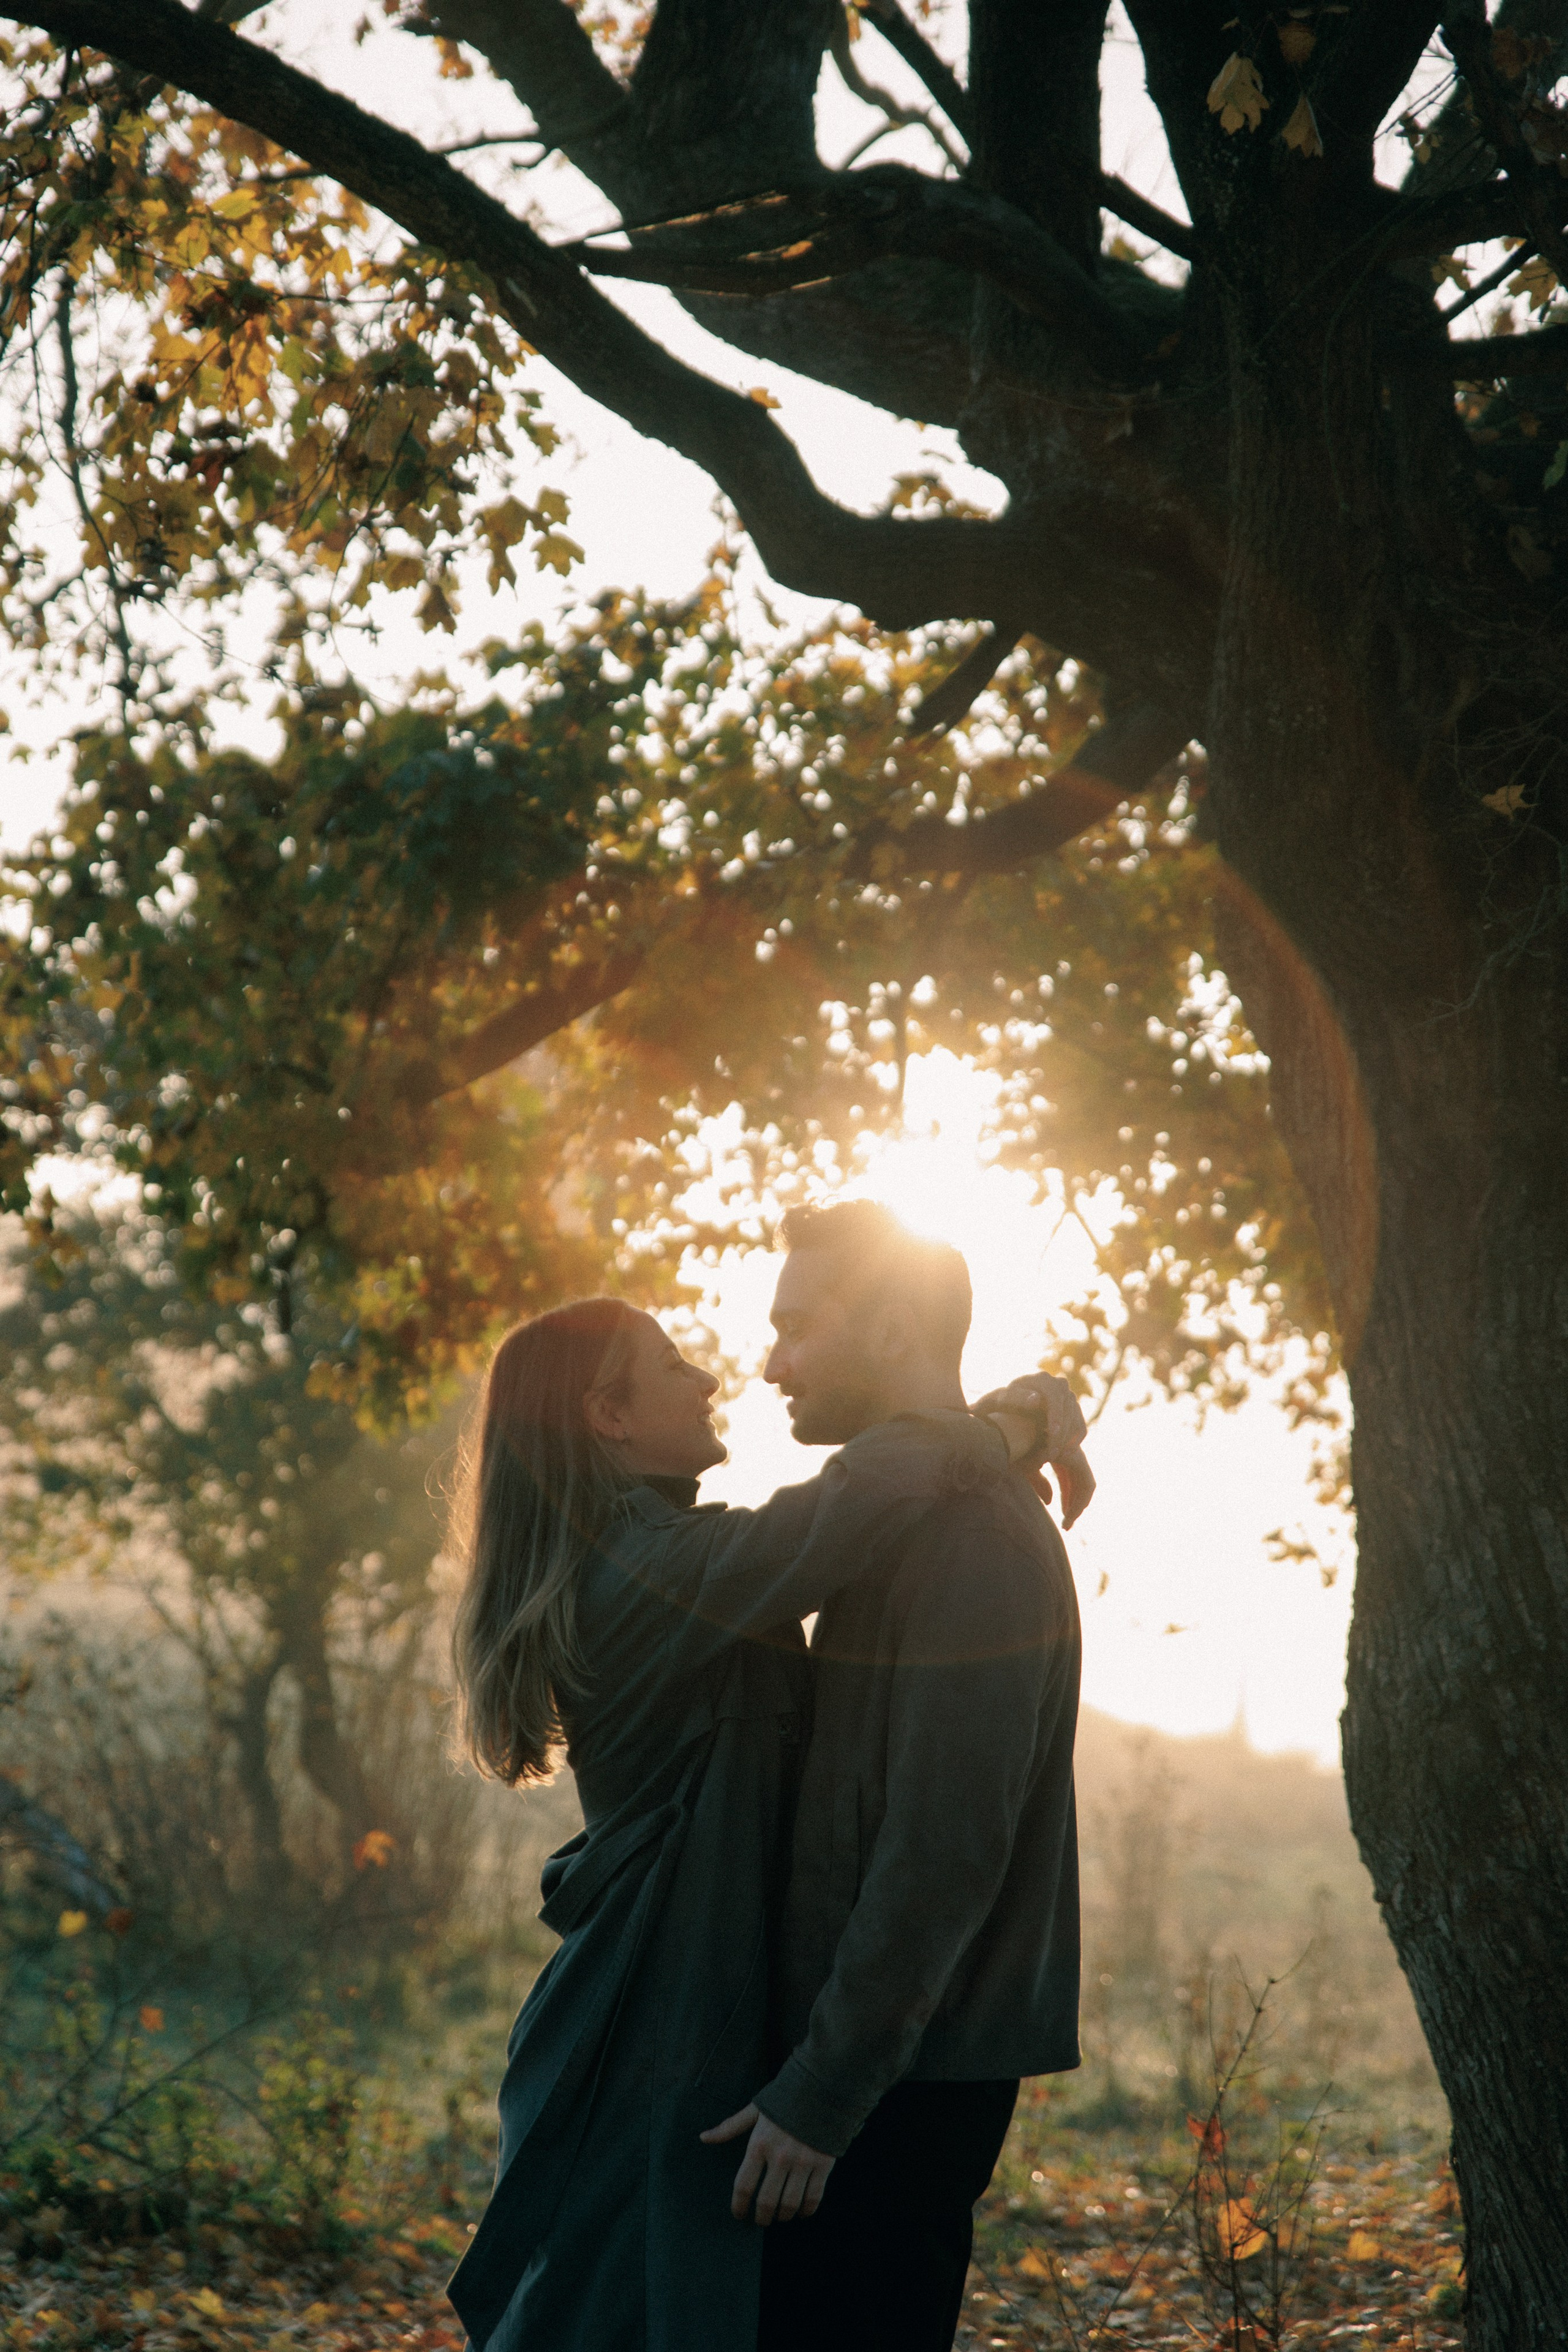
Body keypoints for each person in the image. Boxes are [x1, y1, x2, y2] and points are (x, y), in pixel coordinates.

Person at [442, 1290, 1085, 2352]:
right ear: (608, 1416)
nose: (716, 1378)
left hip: (692, 1998)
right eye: (672, 1365)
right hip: (652, 2013)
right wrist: (1013, 1422)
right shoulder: (646, 1573)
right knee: (616, 2317)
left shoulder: (664, 1551)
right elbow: (840, 1510)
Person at [699, 1202, 1086, 2352]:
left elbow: (945, 1851)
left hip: (899, 2084)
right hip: (866, 2063)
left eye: (799, 1326)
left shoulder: (976, 1544)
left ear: (899, 1327)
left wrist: (823, 2096)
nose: (770, 1362)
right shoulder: (905, 1523)